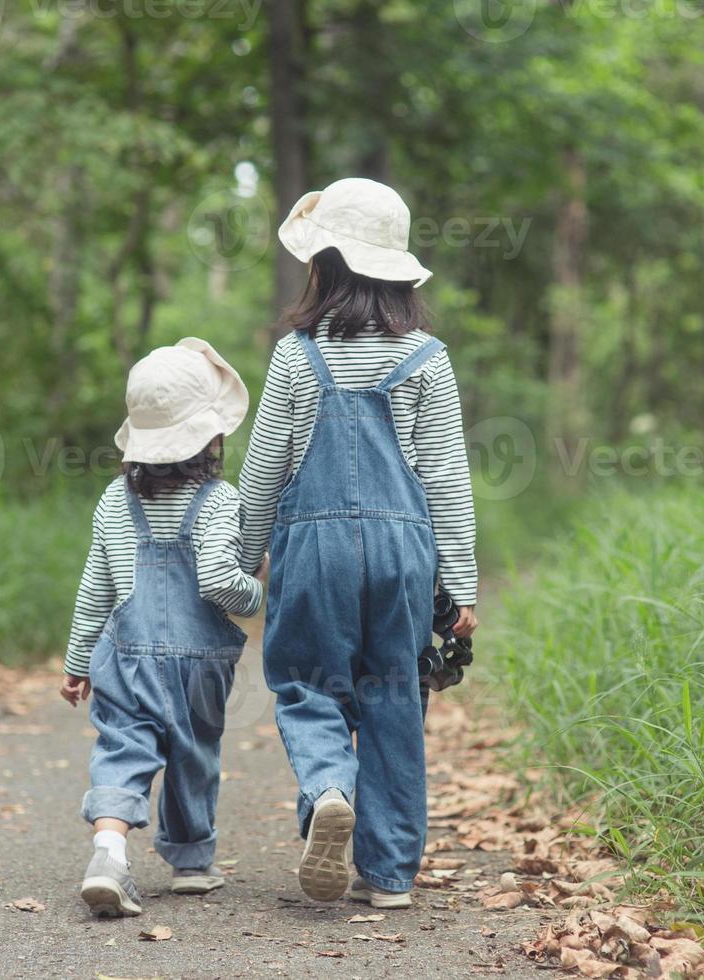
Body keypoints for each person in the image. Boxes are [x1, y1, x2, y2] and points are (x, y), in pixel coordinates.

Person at [239, 177, 479, 910]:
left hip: (313, 551)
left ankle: (328, 787)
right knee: (394, 695)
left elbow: (264, 467)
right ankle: (390, 873)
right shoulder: (427, 358)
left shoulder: (295, 356)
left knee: (307, 683)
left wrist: (242, 558)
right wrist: (461, 586)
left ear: (327, 267)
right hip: (404, 555)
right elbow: (446, 480)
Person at [61, 338, 263, 918]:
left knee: (123, 748)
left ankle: (108, 851)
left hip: (124, 659)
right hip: (198, 664)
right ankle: (192, 863)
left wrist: (77, 661)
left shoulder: (113, 500)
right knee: (194, 752)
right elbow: (221, 583)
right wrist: (257, 593)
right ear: (210, 437)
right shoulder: (221, 500)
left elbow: (96, 588)